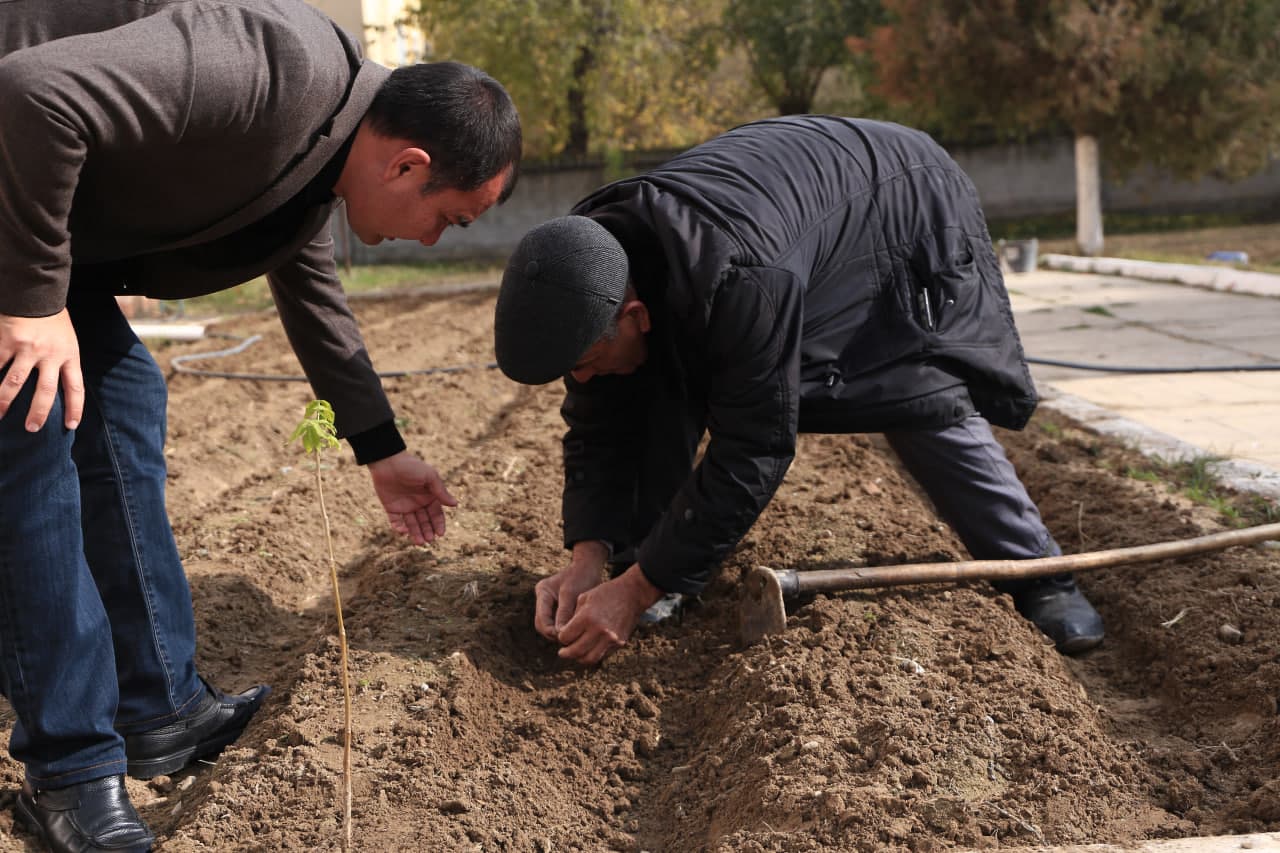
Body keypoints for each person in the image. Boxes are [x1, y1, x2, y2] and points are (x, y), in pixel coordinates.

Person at [0, 1, 521, 850]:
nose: (433, 241)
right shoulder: (278, 70)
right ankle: (71, 773)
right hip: (9, 177)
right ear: (408, 165)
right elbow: (31, 91)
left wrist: (381, 449)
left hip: (43, 222)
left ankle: (159, 705)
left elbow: (313, 300)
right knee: (30, 422)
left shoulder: (319, 158)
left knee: (123, 396)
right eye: (449, 218)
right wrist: (28, 301)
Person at [493, 116, 1103, 669]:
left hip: (899, 202)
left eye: (586, 361)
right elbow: (600, 426)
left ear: (634, 314)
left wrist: (638, 591)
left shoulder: (742, 280)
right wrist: (588, 556)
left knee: (917, 390)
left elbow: (754, 445)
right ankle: (644, 560)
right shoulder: (590, 262)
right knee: (648, 386)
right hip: (786, 219)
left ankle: (1040, 574)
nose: (581, 380)